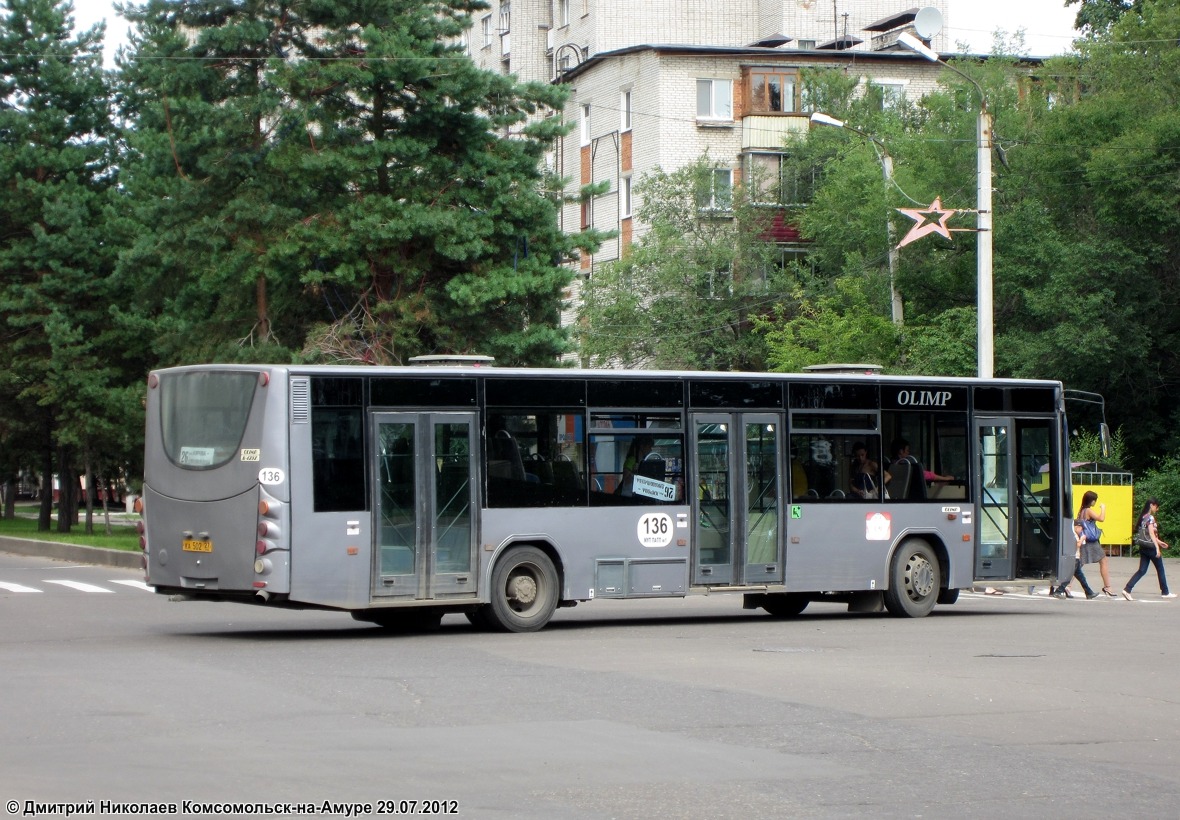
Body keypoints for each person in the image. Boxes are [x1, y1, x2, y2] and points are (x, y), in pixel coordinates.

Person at [1122, 498, 1174, 600]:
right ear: (1151, 505)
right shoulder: (1150, 518)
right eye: (1156, 506)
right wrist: (1157, 548)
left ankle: (1127, 589)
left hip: (1143, 547)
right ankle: (1165, 592)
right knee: (1160, 569)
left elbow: (1148, 535)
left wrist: (1160, 542)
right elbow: (1151, 533)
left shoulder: (1143, 517)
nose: (1157, 509)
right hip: (1151, 548)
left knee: (1142, 570)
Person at [1077, 490, 1117, 597]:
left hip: (1086, 540)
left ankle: (1066, 586)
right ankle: (1107, 587)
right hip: (1091, 541)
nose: (1095, 502)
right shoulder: (1088, 510)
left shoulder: (1082, 510)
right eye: (1095, 500)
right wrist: (1103, 508)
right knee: (1102, 560)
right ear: (1092, 501)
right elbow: (1101, 518)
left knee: (1078, 564)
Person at [1052, 518, 1098, 599]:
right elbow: (1076, 546)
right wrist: (1082, 539)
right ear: (1077, 527)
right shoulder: (1073, 535)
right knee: (1069, 577)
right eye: (1081, 528)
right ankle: (1059, 591)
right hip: (1073, 559)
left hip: (1076, 559)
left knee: (1081, 577)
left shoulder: (1075, 534)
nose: (1082, 530)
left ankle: (1089, 592)